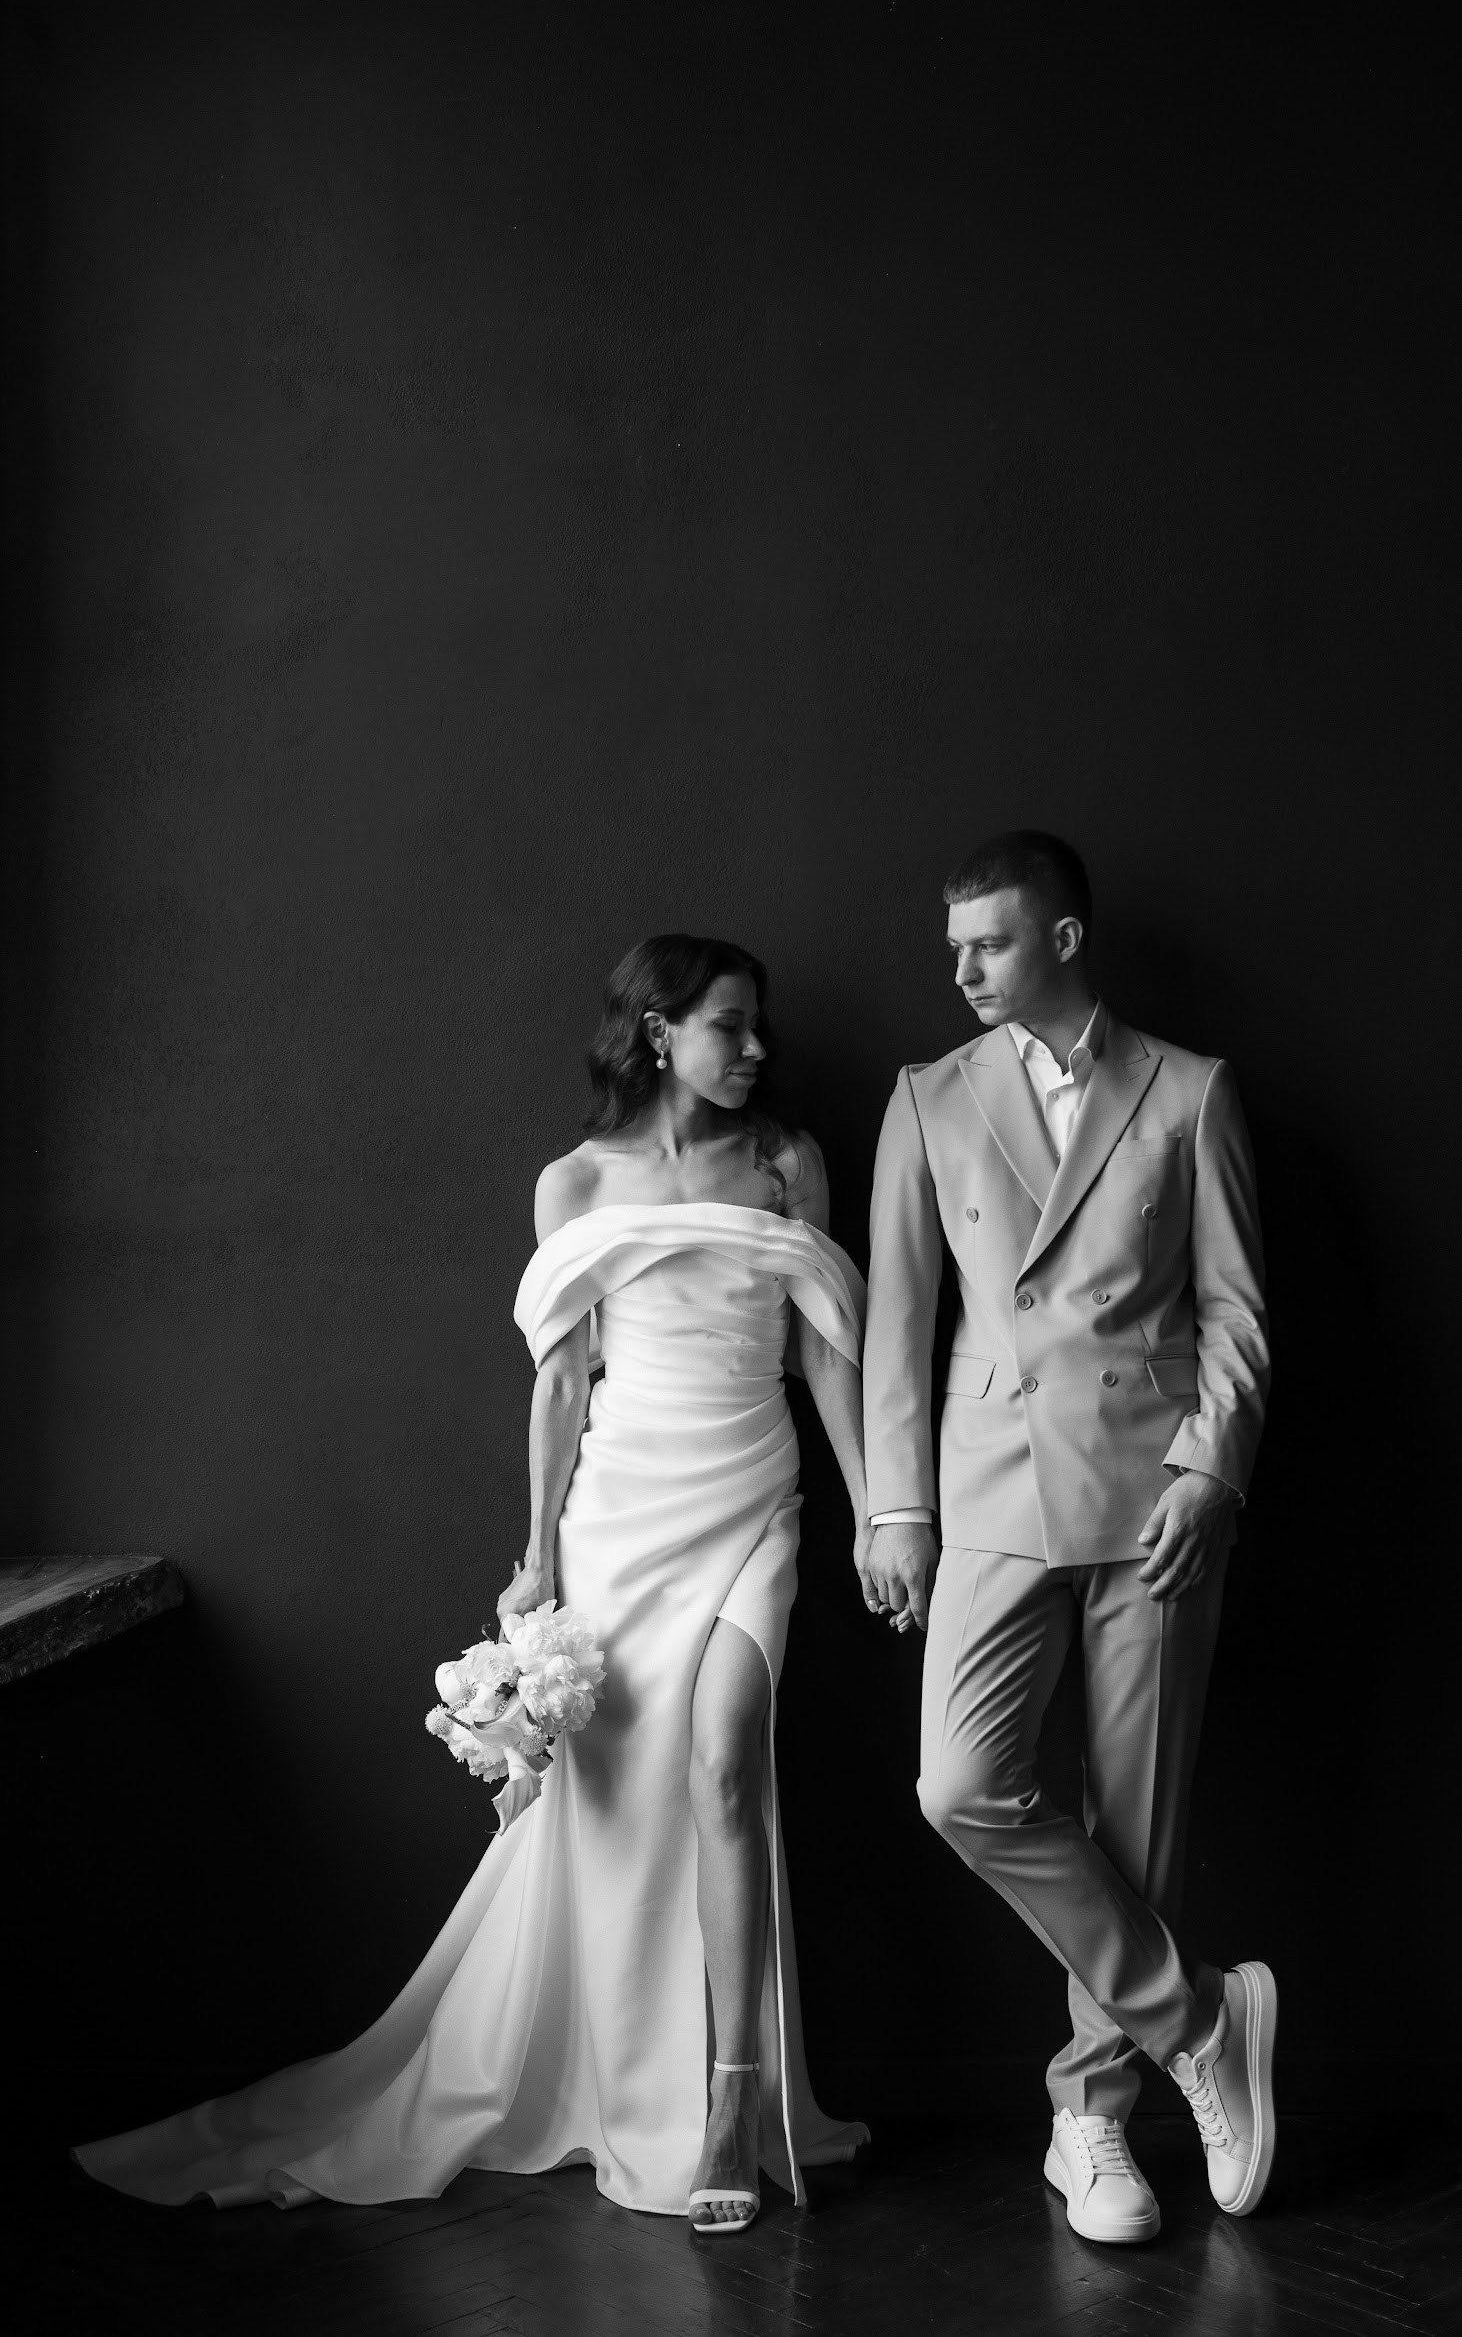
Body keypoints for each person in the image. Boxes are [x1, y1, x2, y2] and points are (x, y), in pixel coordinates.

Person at [76, 935, 870, 2231]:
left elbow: (830, 1350)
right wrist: (539, 1558)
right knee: (619, 1807)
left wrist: (879, 1513)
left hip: (753, 1504)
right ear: (660, 1032)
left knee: (729, 1761)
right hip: (623, 1515)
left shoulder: (787, 1163)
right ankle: (625, 2076)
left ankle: (734, 2105)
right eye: (730, 1025)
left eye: (758, 1025)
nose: (756, 1048)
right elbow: (559, 1380)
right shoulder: (576, 1182)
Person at [860, 833, 1275, 2245]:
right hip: (989, 1493)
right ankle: (1202, 2022)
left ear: (1065, 939)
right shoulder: (928, 1097)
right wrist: (898, 1508)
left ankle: (1090, 2119)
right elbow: (898, 1327)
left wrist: (1211, 1470)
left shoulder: (1191, 1089)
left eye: (989, 942)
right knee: (961, 1786)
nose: (963, 970)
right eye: (955, 946)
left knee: (1136, 1824)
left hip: (1154, 1499)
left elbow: (1237, 1312)